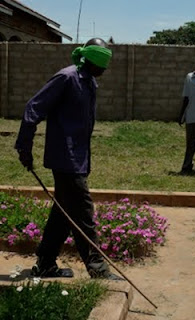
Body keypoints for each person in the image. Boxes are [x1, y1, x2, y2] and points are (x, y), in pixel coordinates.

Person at [15, 38, 123, 280]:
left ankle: (45, 264)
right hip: (65, 158)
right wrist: (25, 147)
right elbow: (33, 108)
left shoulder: (90, 82)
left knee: (63, 214)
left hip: (78, 158)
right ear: (93, 61)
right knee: (83, 212)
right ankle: (98, 270)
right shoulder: (67, 78)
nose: (106, 69)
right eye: (103, 63)